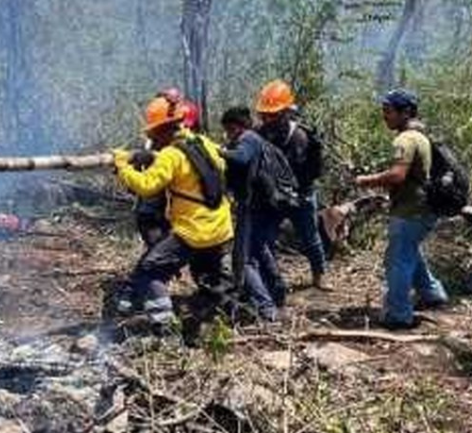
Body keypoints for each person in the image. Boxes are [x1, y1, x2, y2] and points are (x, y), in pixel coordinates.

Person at [114, 97, 234, 325]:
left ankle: (164, 327)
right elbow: (220, 165)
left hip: (193, 231)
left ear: (162, 129)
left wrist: (122, 167)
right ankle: (227, 317)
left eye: (153, 133)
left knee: (149, 270)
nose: (151, 138)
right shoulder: (203, 143)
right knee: (211, 276)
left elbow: (145, 186)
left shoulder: (171, 155)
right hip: (220, 226)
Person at [355, 89, 448, 330]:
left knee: (397, 260)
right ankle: (432, 293)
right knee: (409, 253)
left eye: (388, 111)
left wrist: (366, 180)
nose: (384, 116)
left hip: (410, 211)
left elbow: (397, 175)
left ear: (405, 112)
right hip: (421, 209)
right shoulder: (420, 137)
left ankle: (398, 314)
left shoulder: (405, 139)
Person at [253, 79, 331, 291]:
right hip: (273, 197)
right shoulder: (260, 133)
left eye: (273, 114)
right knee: (265, 239)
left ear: (286, 112)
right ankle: (269, 279)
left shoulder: (300, 137)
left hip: (300, 196)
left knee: (310, 237)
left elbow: (300, 170)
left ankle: (319, 274)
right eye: (265, 114)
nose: (268, 118)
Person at [221, 106, 292, 322]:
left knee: (246, 259)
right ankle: (277, 292)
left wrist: (217, 151)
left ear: (236, 127)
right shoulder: (254, 138)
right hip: (263, 206)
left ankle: (266, 307)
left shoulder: (248, 139)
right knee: (261, 250)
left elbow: (241, 159)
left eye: (228, 129)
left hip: (254, 207)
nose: (227, 134)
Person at [131, 90, 199, 247]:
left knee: (161, 249)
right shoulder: (153, 145)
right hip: (154, 208)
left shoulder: (188, 146)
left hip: (168, 210)